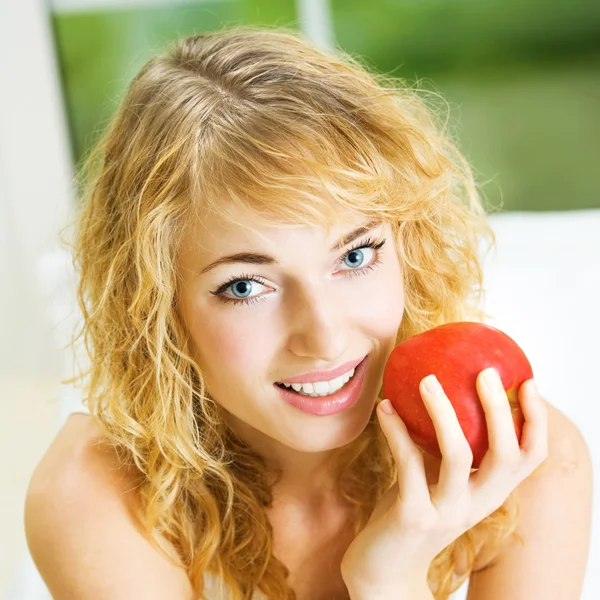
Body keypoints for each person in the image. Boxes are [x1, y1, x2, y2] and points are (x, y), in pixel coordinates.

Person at [24, 25, 592, 600]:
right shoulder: (97, 495)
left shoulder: (522, 465)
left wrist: (389, 578)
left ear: (407, 248)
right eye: (245, 286)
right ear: (156, 307)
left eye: (355, 254)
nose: (324, 337)